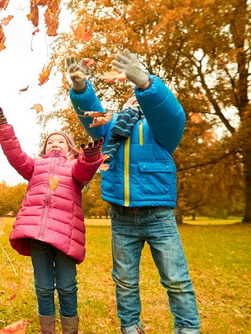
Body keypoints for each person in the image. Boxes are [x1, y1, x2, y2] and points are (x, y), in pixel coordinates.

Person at [67, 50, 200, 334]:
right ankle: (130, 328)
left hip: (158, 217)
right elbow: (91, 113)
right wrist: (80, 89)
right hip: (122, 217)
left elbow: (170, 111)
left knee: (176, 280)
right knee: (125, 281)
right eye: (130, 96)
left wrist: (145, 84)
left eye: (138, 96)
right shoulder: (111, 129)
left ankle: (188, 329)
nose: (133, 99)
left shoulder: (161, 130)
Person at [0, 106, 103, 334]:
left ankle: (70, 330)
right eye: (50, 141)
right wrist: (4, 125)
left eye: (60, 141)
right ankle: (47, 331)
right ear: (43, 149)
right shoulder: (34, 166)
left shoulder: (73, 166)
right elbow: (15, 155)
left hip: (65, 236)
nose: (54, 144)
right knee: (43, 288)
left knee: (67, 287)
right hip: (37, 235)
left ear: (70, 148)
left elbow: (85, 170)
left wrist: (90, 156)